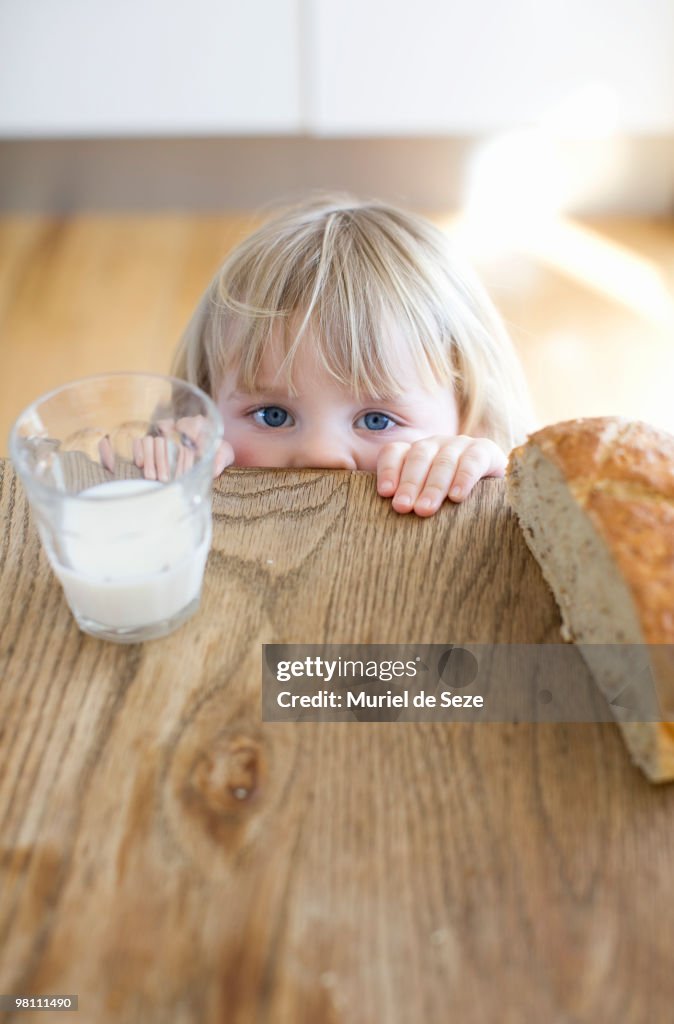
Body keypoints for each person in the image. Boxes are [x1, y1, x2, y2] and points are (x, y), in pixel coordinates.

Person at [140, 194, 538, 516]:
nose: (321, 455)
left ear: (471, 416)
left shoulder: (481, 474)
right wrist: (165, 475)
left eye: (377, 419)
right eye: (272, 415)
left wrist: (489, 481)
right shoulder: (194, 470)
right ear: (204, 401)